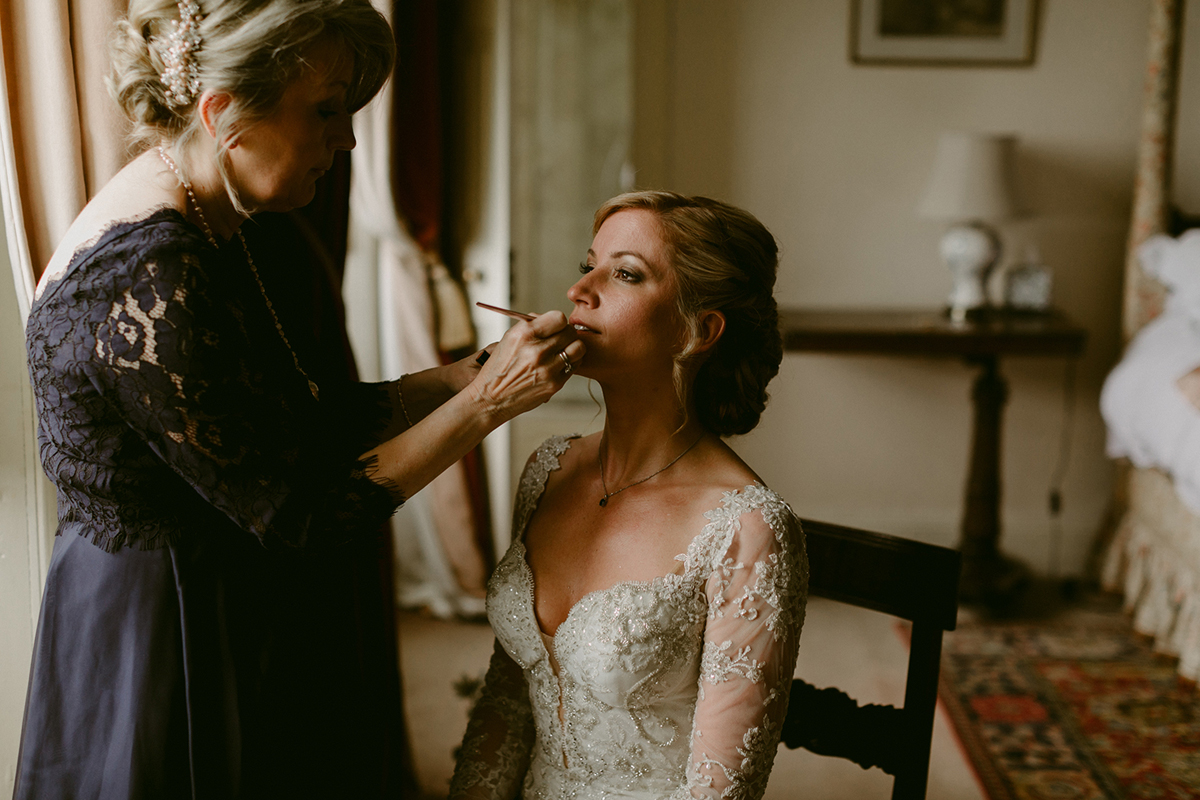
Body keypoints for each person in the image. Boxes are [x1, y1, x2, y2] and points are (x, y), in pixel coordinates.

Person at [15, 0, 584, 797]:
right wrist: (486, 406)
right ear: (224, 115)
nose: (346, 140)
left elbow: (287, 418)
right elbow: (304, 514)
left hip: (175, 588)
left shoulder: (198, 217)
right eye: (326, 111)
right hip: (160, 624)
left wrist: (460, 377)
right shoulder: (158, 274)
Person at [449, 191, 809, 800]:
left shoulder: (747, 528)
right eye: (586, 265)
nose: (578, 291)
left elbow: (721, 793)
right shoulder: (548, 469)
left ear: (699, 331)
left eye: (624, 274)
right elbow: (506, 703)